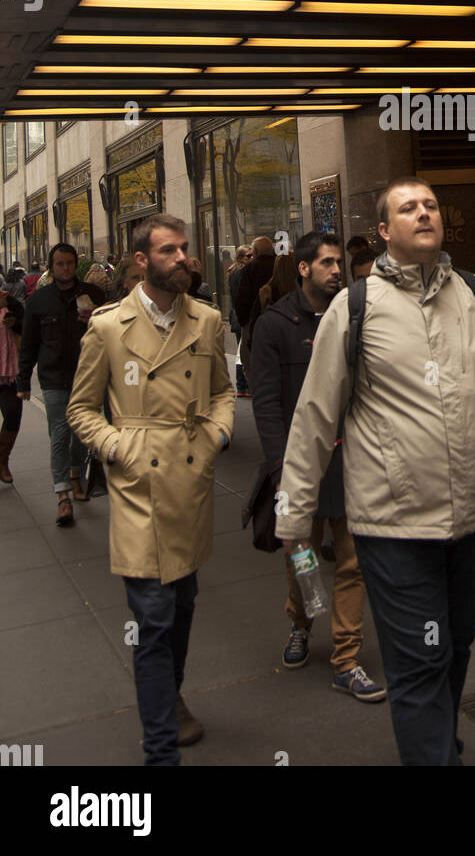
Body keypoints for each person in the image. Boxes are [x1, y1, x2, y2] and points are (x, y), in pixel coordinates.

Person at [275, 176, 475, 765]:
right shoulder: (356, 306)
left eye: (431, 205)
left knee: (456, 648)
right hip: (393, 523)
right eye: (408, 208)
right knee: (419, 662)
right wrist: (293, 509)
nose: (424, 214)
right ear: (384, 231)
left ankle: (439, 744)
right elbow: (315, 413)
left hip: (472, 518)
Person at [67, 214, 235, 766]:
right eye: (169, 251)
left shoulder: (207, 320)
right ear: (141, 260)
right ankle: (160, 750)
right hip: (139, 487)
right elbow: (80, 410)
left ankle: (170, 696)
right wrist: (120, 449)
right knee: (154, 616)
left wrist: (215, 435)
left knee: (182, 607)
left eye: (185, 249)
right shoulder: (108, 327)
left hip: (191, 479)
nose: (184, 258)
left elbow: (223, 394)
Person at [251, 231, 385, 700]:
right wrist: (278, 468)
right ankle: (301, 621)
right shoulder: (275, 325)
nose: (336, 270)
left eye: (337, 263)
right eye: (326, 263)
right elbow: (266, 404)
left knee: (352, 561)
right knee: (302, 558)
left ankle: (346, 657)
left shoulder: (356, 314)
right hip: (299, 462)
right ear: (303, 268)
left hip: (352, 458)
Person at [16, 243, 106, 525]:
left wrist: (96, 319)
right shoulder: (40, 300)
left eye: (69, 263)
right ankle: (62, 495)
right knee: (59, 433)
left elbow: (113, 332)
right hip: (53, 377)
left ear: (74, 264)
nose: (65, 269)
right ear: (51, 267)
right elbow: (29, 343)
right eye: (59, 264)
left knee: (81, 432)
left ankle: (76, 475)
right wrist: (23, 380)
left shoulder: (92, 295)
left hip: (87, 375)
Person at [234, 236, 275, 387]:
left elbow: (242, 299)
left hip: (255, 322)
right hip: (278, 322)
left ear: (255, 252)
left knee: (251, 361)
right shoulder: (280, 266)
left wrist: (244, 322)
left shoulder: (250, 269)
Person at [0, 286, 24, 484]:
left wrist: (13, 319)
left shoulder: (9, 301)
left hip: (8, 371)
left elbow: (25, 327)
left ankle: (2, 460)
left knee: (13, 414)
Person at [227, 245, 253, 395]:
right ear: (241, 258)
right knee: (242, 351)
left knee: (240, 350)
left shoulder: (233, 272)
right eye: (248, 256)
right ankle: (243, 384)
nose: (251, 259)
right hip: (242, 316)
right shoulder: (242, 272)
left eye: (252, 256)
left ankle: (242, 385)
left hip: (237, 315)